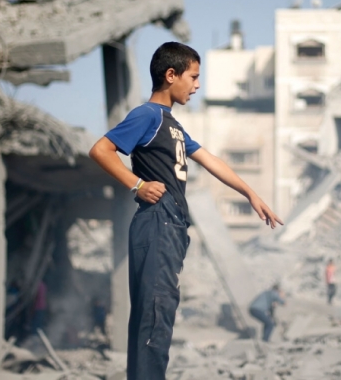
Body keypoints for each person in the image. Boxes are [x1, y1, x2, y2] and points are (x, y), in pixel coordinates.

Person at [89, 42, 283, 380]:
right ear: (170, 75)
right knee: (155, 316)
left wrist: (250, 192)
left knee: (157, 317)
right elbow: (101, 149)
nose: (196, 85)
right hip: (157, 222)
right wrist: (137, 184)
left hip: (171, 227)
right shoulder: (147, 115)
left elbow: (211, 161)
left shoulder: (173, 125)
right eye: (192, 77)